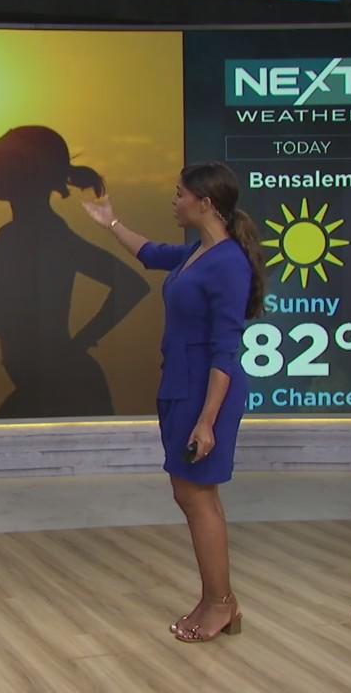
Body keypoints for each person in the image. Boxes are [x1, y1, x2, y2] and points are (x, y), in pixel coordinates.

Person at [83, 161, 264, 643]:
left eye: (180, 193)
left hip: (206, 391)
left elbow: (226, 350)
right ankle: (217, 600)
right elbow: (149, 253)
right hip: (181, 384)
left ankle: (221, 604)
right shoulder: (196, 253)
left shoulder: (227, 263)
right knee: (191, 494)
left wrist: (207, 421)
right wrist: (110, 222)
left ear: (205, 203)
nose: (174, 200)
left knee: (197, 495)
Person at [0, 126, 149, 418]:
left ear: (24, 170)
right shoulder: (34, 231)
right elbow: (131, 284)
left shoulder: (42, 234)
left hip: (62, 391)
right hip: (46, 387)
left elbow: (0, 318)